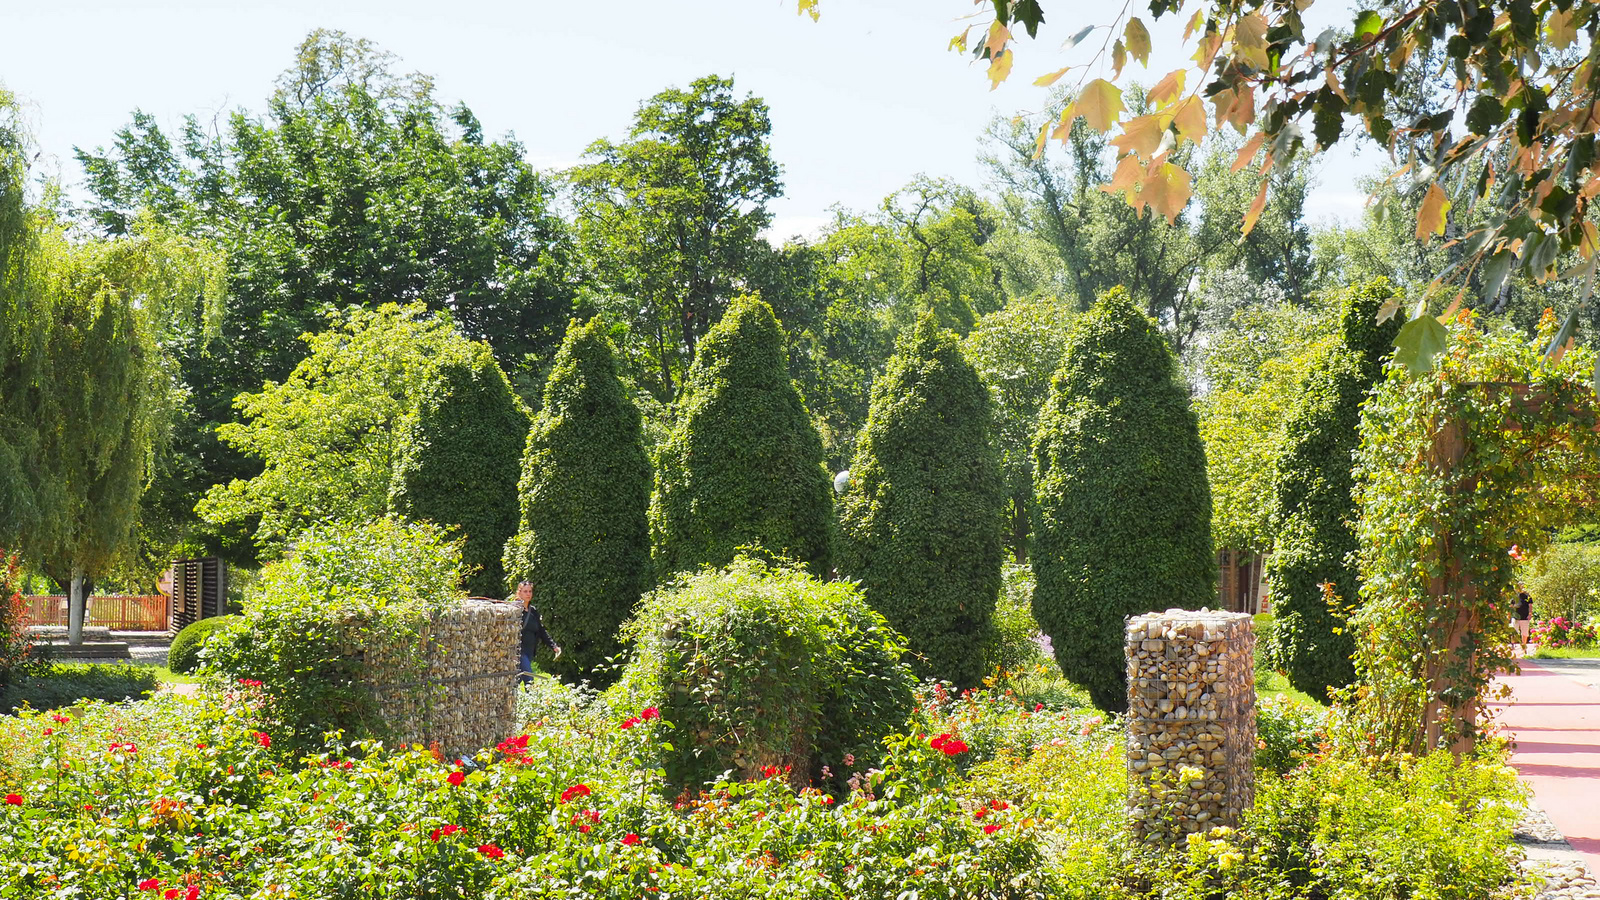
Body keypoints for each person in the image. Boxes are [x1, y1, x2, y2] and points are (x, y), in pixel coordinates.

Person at [510, 580, 560, 683]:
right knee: (529, 679)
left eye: (530, 591)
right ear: (519, 593)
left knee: (517, 681)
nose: (528, 594)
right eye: (525, 591)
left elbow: (541, 631)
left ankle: (517, 698)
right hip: (518, 650)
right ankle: (533, 697)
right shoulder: (514, 610)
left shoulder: (533, 611)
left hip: (530, 651)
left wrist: (553, 646)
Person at [1513, 582, 1533, 655]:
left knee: (1524, 633)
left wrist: (1530, 614)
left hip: (1524, 617)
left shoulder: (1527, 595)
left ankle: (1523, 647)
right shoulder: (1515, 595)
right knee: (1513, 632)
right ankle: (1513, 647)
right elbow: (1511, 605)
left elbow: (1530, 605)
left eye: (1522, 586)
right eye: (1519, 586)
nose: (1521, 587)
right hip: (1515, 617)